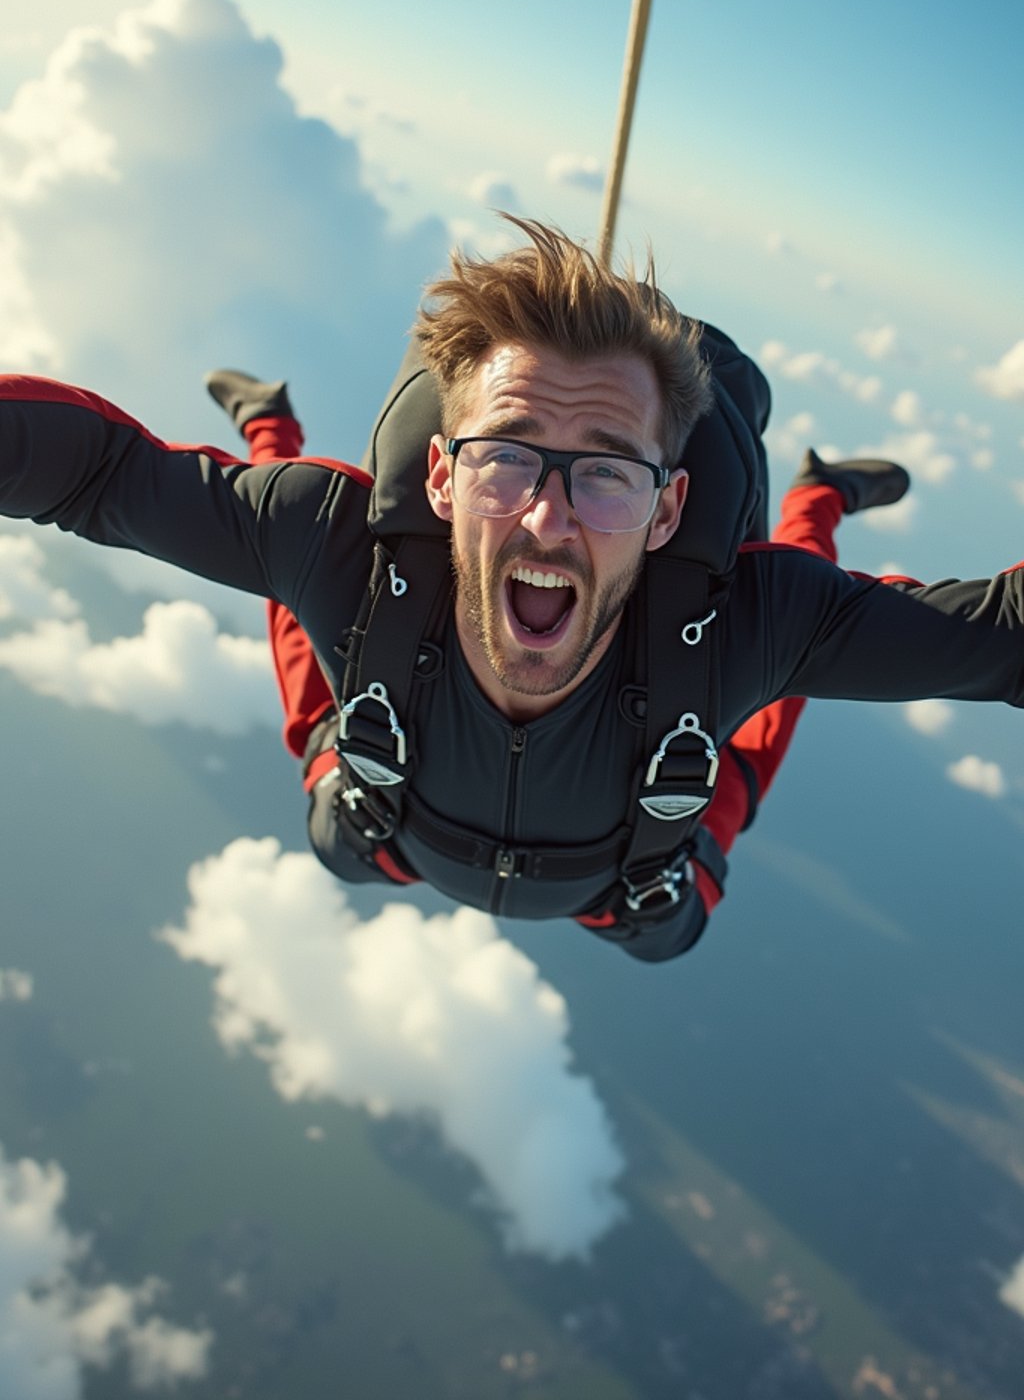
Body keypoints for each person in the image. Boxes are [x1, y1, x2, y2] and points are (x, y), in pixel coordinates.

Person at [2, 218, 1022, 965]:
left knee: (762, 670)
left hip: (625, 886)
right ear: (440, 478)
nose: (547, 518)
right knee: (317, 601)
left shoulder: (747, 621)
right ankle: (271, 425)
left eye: (608, 471)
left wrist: (791, 599)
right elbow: (96, 472)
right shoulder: (339, 544)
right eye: (506, 460)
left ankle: (818, 500)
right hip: (388, 830)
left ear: (668, 511)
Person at [207, 362, 907, 959]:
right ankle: (269, 428)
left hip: (528, 867)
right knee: (302, 566)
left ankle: (817, 499)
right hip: (609, 886)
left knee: (786, 633)